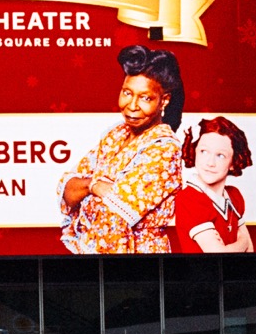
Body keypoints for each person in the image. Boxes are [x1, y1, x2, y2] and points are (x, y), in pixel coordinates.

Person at [58, 45, 185, 254]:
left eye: (145, 98)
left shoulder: (164, 148)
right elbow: (68, 191)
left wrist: (88, 189)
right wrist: (94, 186)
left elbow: (113, 215)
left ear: (164, 100)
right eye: (127, 93)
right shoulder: (115, 135)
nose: (132, 105)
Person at [174, 116, 253, 253]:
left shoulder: (234, 195)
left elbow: (250, 250)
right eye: (204, 152)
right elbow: (218, 254)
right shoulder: (189, 198)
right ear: (195, 152)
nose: (210, 163)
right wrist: (243, 242)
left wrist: (238, 246)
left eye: (220, 155)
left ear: (234, 162)